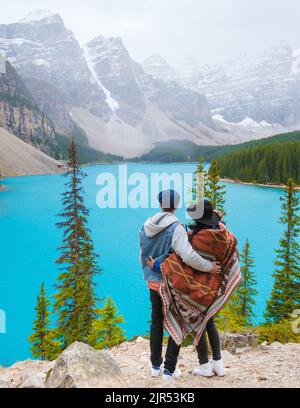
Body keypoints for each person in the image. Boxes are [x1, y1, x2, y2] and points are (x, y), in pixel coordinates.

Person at [139, 190, 221, 380]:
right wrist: (209, 267)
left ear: (160, 203)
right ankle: (169, 369)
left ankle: (154, 366)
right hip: (171, 283)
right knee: (177, 322)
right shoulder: (176, 227)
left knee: (156, 322)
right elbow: (188, 255)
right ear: (175, 205)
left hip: (152, 282)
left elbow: (142, 252)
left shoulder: (145, 225)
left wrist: (150, 271)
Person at [187, 201, 225, 377]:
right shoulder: (221, 232)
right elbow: (217, 220)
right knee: (210, 322)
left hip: (199, 285)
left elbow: (186, 255)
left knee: (199, 323)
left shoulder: (197, 238)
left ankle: (204, 365)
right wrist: (217, 217)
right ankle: (218, 363)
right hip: (215, 285)